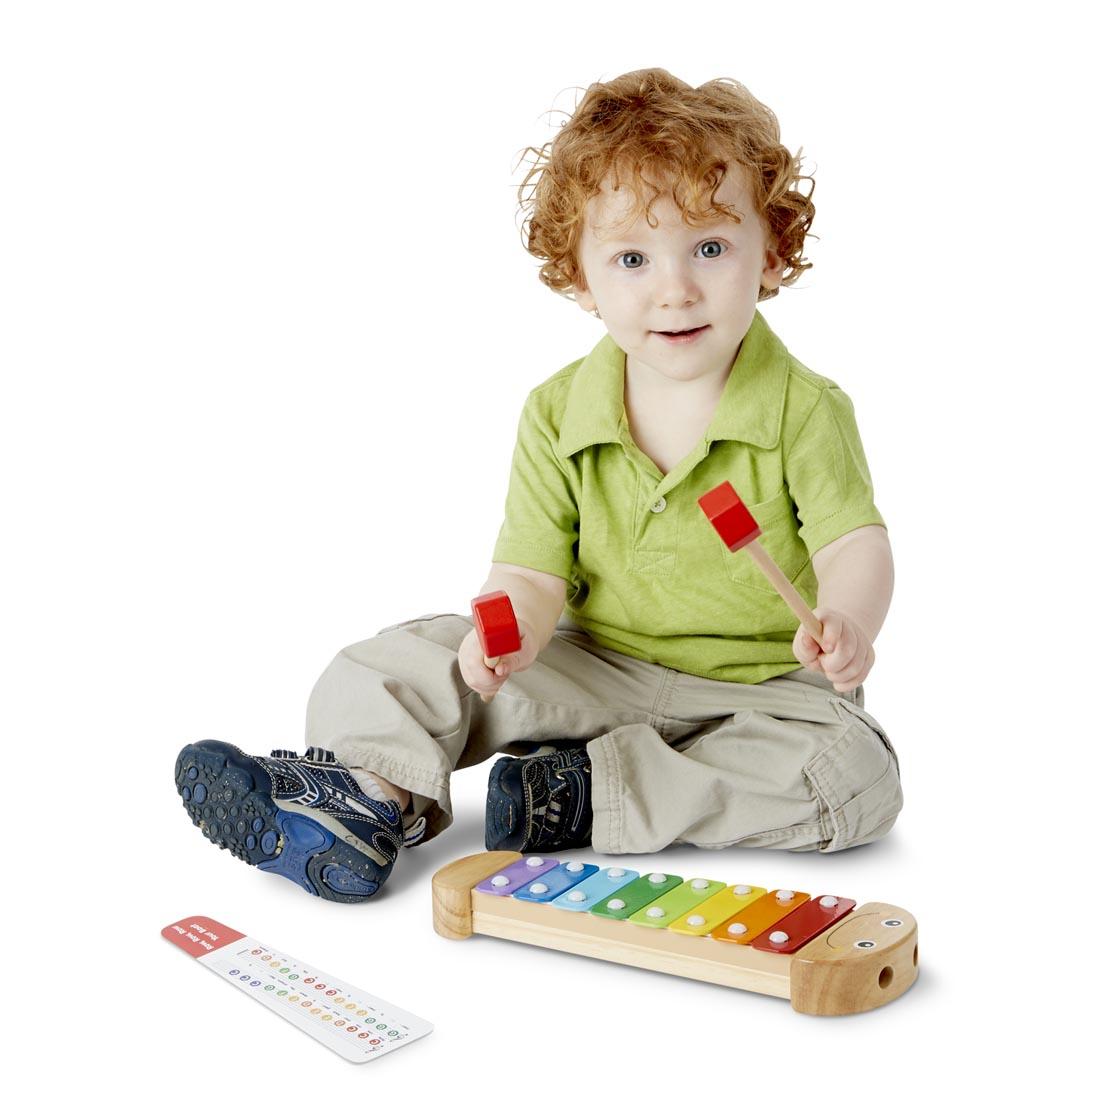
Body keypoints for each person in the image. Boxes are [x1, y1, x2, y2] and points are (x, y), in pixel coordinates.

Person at [174, 68, 902, 903]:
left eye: (709, 247)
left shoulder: (805, 408)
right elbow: (528, 571)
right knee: (403, 661)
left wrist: (848, 618)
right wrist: (505, 634)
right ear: (581, 279)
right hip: (595, 668)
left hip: (767, 692)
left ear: (770, 252)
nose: (675, 288)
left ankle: (577, 796)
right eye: (632, 258)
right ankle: (366, 797)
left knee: (855, 775)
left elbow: (855, 542)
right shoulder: (557, 412)